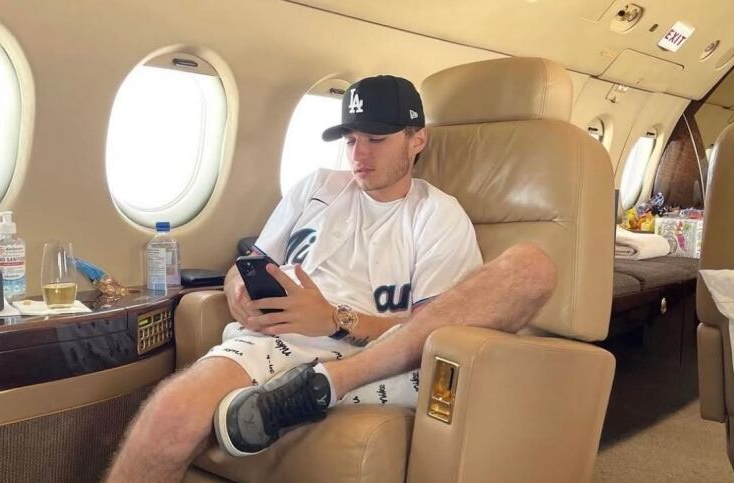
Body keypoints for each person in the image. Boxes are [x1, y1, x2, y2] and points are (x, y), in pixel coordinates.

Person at [106, 76, 556, 483]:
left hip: (373, 354)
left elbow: (434, 331)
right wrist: (238, 292)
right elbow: (250, 264)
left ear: (417, 139)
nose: (359, 154)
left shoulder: (436, 214)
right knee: (171, 411)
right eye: (351, 139)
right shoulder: (316, 186)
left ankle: (329, 382)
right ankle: (297, 390)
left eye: (376, 139)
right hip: (275, 338)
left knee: (532, 267)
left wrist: (335, 319)